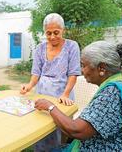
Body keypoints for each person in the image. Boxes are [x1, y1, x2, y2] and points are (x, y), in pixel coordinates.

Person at [35, 41, 122, 151]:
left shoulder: (111, 93)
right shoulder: (121, 85)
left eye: (83, 65)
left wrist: (50, 107)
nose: (81, 70)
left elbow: (76, 130)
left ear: (102, 68)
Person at [20, 13, 81, 151]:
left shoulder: (72, 46)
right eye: (48, 33)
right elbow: (36, 73)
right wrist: (29, 86)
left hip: (62, 96)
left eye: (56, 32)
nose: (52, 37)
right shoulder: (40, 48)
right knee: (41, 127)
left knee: (60, 128)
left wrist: (65, 94)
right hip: (42, 93)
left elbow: (73, 74)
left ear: (63, 30)